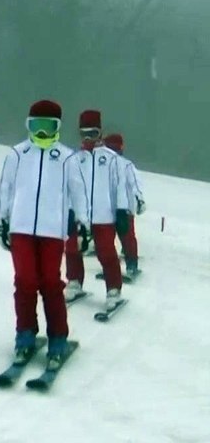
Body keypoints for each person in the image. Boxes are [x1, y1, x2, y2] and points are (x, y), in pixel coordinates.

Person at [0, 99, 87, 372]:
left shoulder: (67, 158)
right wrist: (3, 219)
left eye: (48, 126)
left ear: (57, 127)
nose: (42, 132)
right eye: (37, 126)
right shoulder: (18, 154)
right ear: (29, 125)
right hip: (21, 228)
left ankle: (58, 338)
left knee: (49, 282)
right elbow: (5, 188)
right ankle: (25, 334)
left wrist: (82, 222)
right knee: (24, 281)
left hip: (52, 230)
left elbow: (78, 192)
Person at [68, 110, 129, 311]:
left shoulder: (111, 159)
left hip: (104, 215)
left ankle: (113, 289)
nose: (88, 139)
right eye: (84, 134)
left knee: (106, 252)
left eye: (92, 134)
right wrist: (69, 211)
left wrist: (121, 211)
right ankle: (74, 281)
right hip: (81, 215)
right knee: (72, 248)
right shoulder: (75, 160)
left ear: (100, 133)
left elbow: (119, 186)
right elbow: (69, 188)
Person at [104, 133, 143, 278]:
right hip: (107, 208)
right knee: (108, 239)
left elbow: (136, 183)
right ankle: (111, 266)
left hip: (125, 208)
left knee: (127, 237)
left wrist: (139, 199)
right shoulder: (103, 165)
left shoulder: (126, 165)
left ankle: (131, 265)